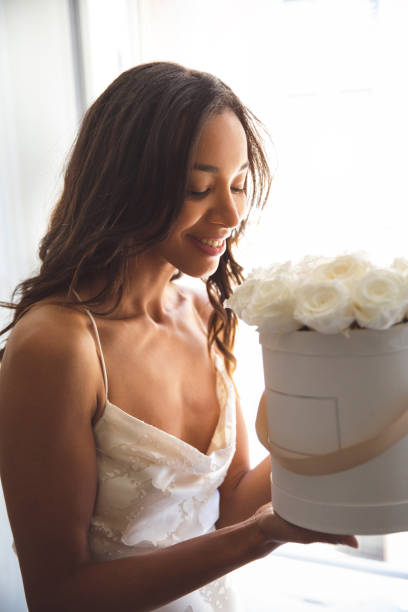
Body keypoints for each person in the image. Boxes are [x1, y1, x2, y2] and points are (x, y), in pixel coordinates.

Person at [0, 62, 357, 612]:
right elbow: (58, 595)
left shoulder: (206, 307)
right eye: (198, 188)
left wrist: (339, 406)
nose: (231, 212)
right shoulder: (56, 348)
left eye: (239, 184)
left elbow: (230, 502)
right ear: (125, 183)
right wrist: (261, 537)